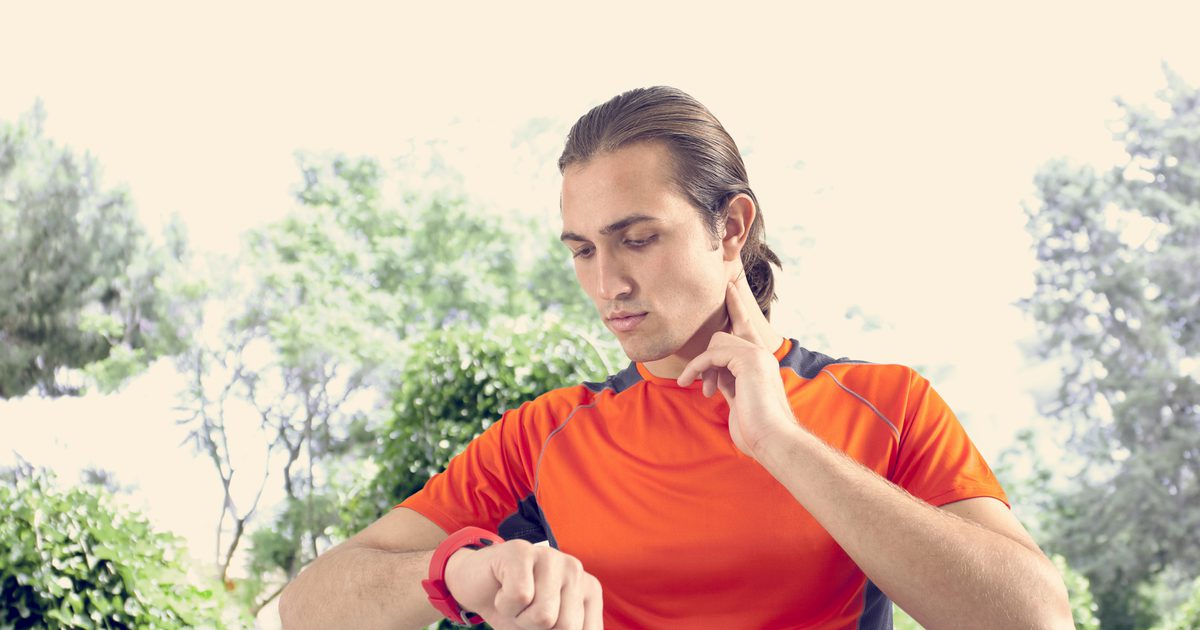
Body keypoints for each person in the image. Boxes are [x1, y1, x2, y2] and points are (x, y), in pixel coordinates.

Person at [278, 86, 1073, 630]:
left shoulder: (884, 403)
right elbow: (308, 606)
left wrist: (784, 446)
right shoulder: (548, 435)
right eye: (582, 250)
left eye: (637, 239)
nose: (607, 284)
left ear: (730, 229)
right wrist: (452, 571)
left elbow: (1034, 617)